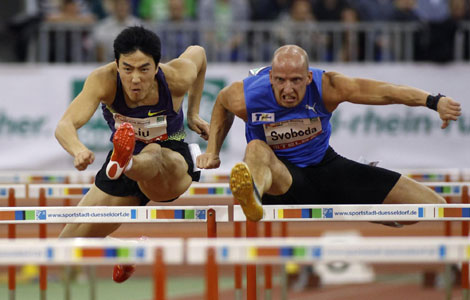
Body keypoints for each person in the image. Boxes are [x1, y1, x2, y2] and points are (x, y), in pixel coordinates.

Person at [197, 45, 461, 223]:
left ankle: (364, 210)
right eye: (280, 80)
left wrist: (433, 101)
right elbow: (221, 102)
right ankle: (252, 198)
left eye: (296, 81)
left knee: (433, 207)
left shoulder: (328, 87)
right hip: (283, 179)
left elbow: (386, 92)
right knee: (255, 148)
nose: (288, 89)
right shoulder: (248, 94)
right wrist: (212, 151)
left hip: (327, 169)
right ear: (271, 79)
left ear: (309, 77)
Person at [55, 26, 209, 282]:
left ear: (157, 66)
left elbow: (199, 53)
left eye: (144, 69)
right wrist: (78, 150)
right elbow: (64, 125)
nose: (135, 78)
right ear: (116, 64)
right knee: (63, 249)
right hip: (123, 155)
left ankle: (127, 162)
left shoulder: (177, 78)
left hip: (169, 157)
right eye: (127, 69)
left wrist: (192, 114)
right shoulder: (103, 80)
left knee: (154, 153)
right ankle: (124, 248)